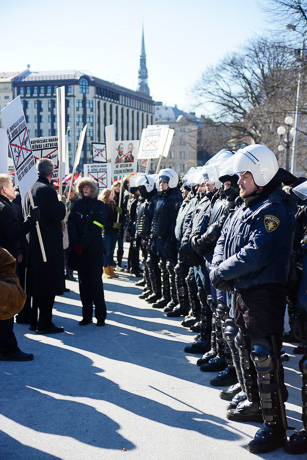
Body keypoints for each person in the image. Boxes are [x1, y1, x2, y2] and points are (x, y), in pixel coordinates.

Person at [210, 144, 297, 453]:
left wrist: (222, 272)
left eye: (244, 175)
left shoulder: (274, 208)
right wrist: (218, 267)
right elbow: (223, 239)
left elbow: (256, 253)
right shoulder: (246, 204)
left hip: (263, 293)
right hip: (242, 290)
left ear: (260, 172)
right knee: (244, 347)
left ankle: (275, 427)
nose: (239, 181)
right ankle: (257, 403)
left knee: (264, 356)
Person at [23, 158, 66, 334]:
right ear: (51, 172)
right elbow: (56, 215)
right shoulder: (46, 190)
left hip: (33, 244)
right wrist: (62, 204)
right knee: (47, 285)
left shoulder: (29, 189)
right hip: (46, 246)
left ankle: (35, 321)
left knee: (36, 285)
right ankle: (45, 323)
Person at [0, 173, 39, 361]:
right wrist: (31, 220)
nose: (14, 188)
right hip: (4, 263)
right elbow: (14, 234)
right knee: (6, 303)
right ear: (3, 189)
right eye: (11, 184)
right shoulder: (4, 209)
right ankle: (9, 349)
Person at [68, 177, 108, 326]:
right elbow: (71, 223)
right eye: (83, 187)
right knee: (83, 285)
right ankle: (86, 316)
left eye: (88, 187)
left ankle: (101, 316)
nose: (86, 189)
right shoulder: (77, 204)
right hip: (80, 252)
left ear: (93, 189)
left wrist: (82, 243)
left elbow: (97, 226)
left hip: (94, 252)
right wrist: (75, 242)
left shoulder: (99, 206)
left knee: (96, 284)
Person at [98, 188, 119, 279]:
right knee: (107, 251)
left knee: (112, 251)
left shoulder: (114, 205)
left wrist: (120, 213)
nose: (113, 196)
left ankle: (111, 268)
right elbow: (103, 220)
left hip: (114, 232)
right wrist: (112, 224)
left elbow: (117, 218)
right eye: (111, 194)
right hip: (106, 231)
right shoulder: (103, 205)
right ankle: (105, 269)